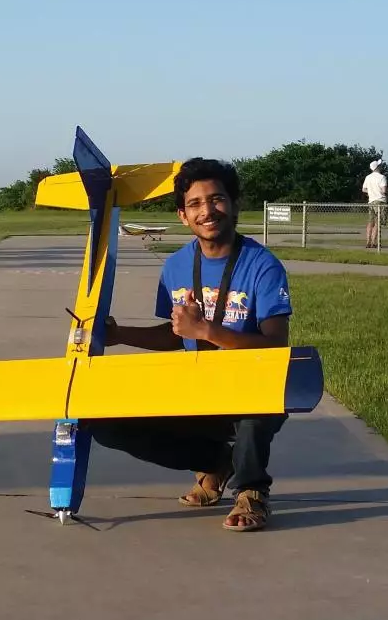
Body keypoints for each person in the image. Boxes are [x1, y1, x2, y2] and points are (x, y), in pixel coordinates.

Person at [92, 157, 294, 532]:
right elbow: (175, 333)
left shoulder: (263, 265)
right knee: (105, 424)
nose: (208, 211)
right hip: (198, 388)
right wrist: (121, 335)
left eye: (217, 199)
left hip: (255, 385)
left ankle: (251, 490)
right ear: (183, 215)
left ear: (234, 204)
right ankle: (216, 462)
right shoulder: (176, 266)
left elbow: (275, 346)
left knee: (251, 409)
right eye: (196, 204)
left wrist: (208, 332)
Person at [362, 159, 388, 249]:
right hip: (380, 201)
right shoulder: (382, 177)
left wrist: (371, 192)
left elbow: (364, 189)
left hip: (371, 201)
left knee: (370, 222)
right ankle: (373, 242)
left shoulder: (368, 177)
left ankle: (368, 241)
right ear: (377, 167)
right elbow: (384, 190)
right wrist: (379, 191)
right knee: (378, 223)